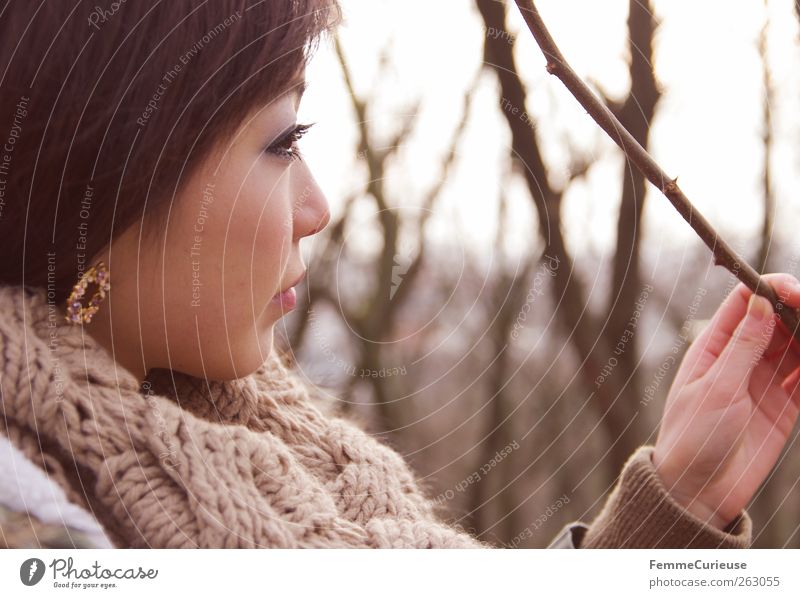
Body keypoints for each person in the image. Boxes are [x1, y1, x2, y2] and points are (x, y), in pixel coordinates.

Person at [1, 1, 799, 549]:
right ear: (111, 184)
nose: (317, 207)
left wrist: (681, 496)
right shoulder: (36, 534)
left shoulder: (249, 440)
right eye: (283, 143)